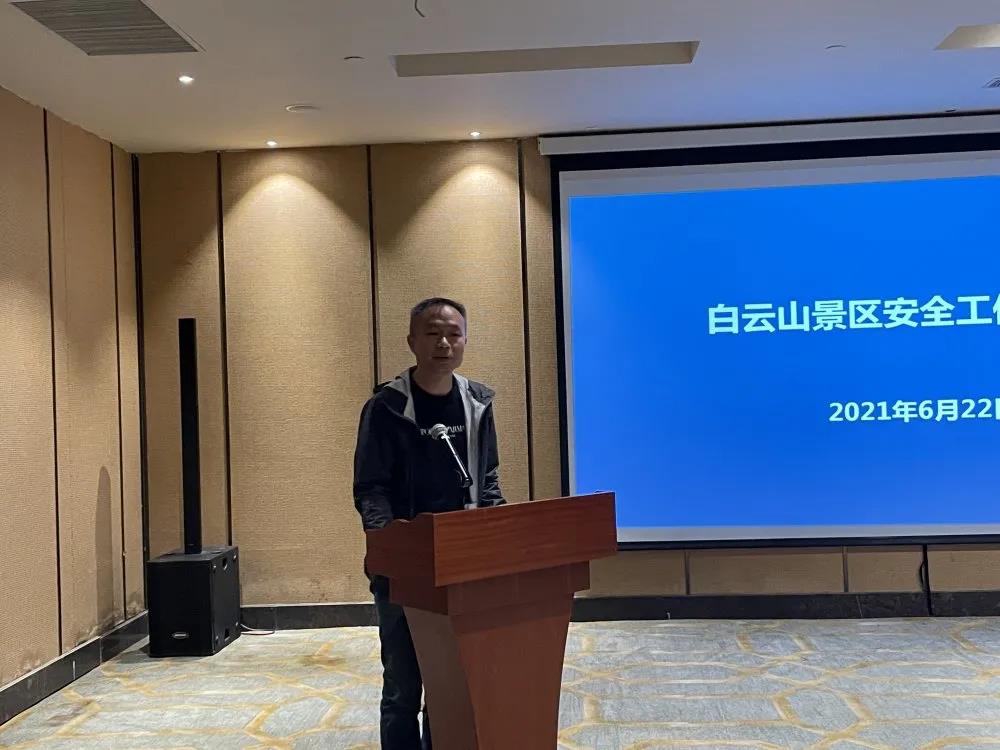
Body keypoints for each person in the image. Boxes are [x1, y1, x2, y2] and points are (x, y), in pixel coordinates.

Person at [353, 297, 505, 750]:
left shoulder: (477, 402)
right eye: (433, 333)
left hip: (462, 563)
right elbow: (370, 489)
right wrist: (392, 546)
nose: (444, 343)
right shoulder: (387, 407)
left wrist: (499, 532)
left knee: (449, 683)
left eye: (454, 334)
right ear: (412, 341)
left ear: (466, 341)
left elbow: (488, 477)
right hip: (405, 567)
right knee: (403, 686)